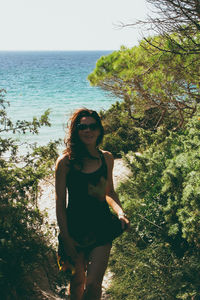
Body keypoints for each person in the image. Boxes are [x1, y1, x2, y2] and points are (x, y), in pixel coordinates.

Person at [55, 108, 130, 300]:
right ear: (76, 131)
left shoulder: (106, 158)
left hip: (102, 227)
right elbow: (60, 203)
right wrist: (66, 238)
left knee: (94, 283)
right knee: (77, 282)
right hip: (74, 230)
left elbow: (109, 193)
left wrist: (120, 212)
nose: (88, 131)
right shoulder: (65, 162)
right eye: (82, 127)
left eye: (93, 126)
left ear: (99, 130)